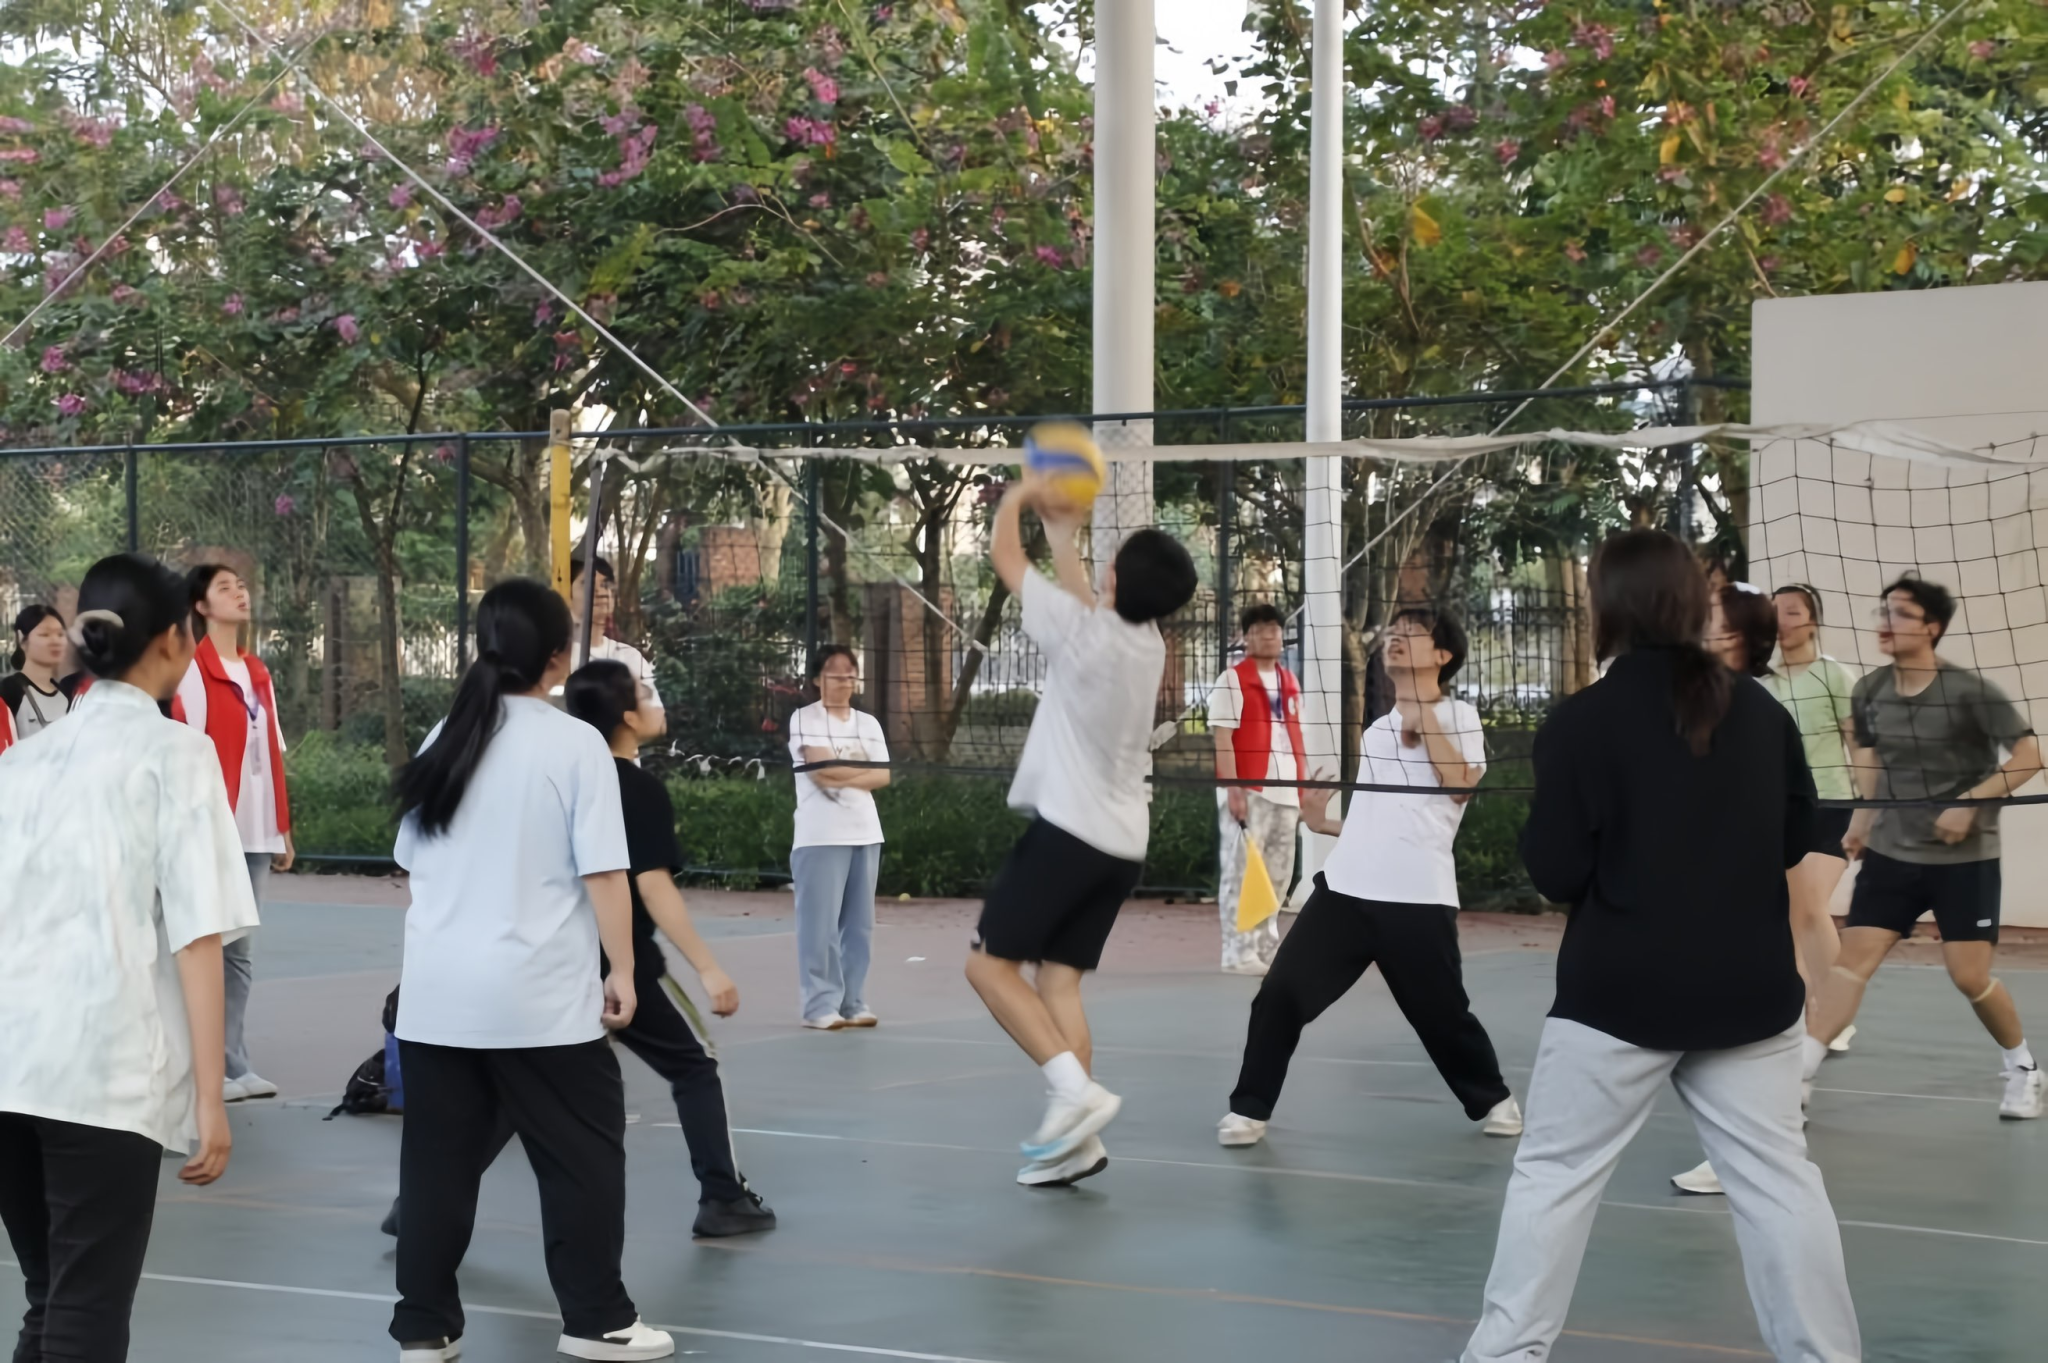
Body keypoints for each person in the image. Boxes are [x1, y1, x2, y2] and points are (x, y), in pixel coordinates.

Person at [1463, 529, 1859, 1363]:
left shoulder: (1582, 721)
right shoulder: (1762, 713)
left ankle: (1502, 1356)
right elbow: (1795, 838)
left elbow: (1555, 870)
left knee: (1554, 1175)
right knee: (1779, 1180)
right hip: (1749, 990)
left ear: (1606, 607)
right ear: (1690, 603)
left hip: (1620, 992)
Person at [380, 661, 776, 1244]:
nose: (657, 703)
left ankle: (417, 1205)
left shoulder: (523, 760)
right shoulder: (630, 786)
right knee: (694, 1066)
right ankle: (723, 1194)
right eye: (647, 694)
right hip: (614, 962)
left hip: (546, 960)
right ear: (627, 716)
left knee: (517, 1093)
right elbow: (647, 885)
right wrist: (705, 967)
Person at [388, 579, 673, 1363]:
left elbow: (412, 859)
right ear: (558, 656)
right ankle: (596, 1319)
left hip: (438, 998)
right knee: (582, 1158)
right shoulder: (574, 743)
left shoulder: (445, 735)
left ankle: (424, 1327)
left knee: (437, 1166)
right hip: (538, 998)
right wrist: (623, 968)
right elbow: (605, 872)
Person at [0, 553, 258, 1362]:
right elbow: (199, 933)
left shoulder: (21, 761)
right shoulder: (177, 755)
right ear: (176, 639)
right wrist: (211, 1097)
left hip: (9, 1064)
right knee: (85, 1307)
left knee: (51, 1296)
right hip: (101, 1074)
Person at [964, 477, 1197, 1189]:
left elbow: (1006, 558)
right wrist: (1064, 535)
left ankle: (1075, 1093)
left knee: (988, 968)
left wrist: (1019, 496)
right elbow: (1088, 600)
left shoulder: (1081, 630)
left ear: (1116, 578)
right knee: (1058, 983)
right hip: (1122, 846)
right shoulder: (1147, 642)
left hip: (1069, 834)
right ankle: (1079, 1145)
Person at [1220, 608, 1522, 1147]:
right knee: (1280, 994)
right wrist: (1323, 824)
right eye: (1394, 633)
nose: (1395, 639)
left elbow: (1458, 786)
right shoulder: (1380, 729)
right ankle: (1249, 1108)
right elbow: (1378, 817)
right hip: (1346, 889)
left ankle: (1494, 1099)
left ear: (1443, 656)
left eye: (1412, 634)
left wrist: (1422, 714)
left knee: (1442, 1016)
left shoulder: (1460, 716)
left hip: (1416, 896)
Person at [1800, 576, 2046, 1122]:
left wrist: (1970, 802)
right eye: (1883, 611)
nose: (1885, 622)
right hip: (1892, 851)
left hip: (1965, 859)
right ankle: (1800, 1078)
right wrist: (1861, 821)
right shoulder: (1870, 690)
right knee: (1850, 965)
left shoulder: (1972, 693)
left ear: (1932, 627)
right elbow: (1871, 762)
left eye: (1901, 614)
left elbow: (2029, 757)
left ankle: (2023, 1068)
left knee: (1969, 976)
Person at [1675, 582, 1859, 1195]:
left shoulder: (1827, 677)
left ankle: (1825, 1023)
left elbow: (1858, 740)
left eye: (1794, 611)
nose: (1785, 619)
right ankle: (1801, 1058)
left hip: (1825, 805)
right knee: (1787, 927)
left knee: (1803, 916)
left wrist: (1870, 810)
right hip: (1768, 815)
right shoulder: (1744, 690)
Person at [173, 564, 294, 1104]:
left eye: (241, 585)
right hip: (213, 830)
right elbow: (187, 754)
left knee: (240, 953)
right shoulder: (193, 672)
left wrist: (282, 827)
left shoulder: (257, 671)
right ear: (201, 606)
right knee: (208, 946)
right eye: (225, 587)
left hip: (256, 831)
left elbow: (272, 753)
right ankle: (204, 1065)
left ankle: (234, 1061)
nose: (240, 592)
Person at [787, 645, 889, 1029]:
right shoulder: (804, 718)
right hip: (820, 835)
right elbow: (819, 770)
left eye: (850, 671)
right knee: (820, 926)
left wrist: (839, 771)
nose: (845, 678)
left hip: (866, 832)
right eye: (834, 671)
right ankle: (818, 1006)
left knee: (859, 926)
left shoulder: (869, 724)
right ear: (817, 679)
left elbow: (882, 775)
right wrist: (857, 769)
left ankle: (853, 1002)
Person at [1207, 603, 1304, 975]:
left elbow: (1296, 735)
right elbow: (1223, 739)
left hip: (1287, 789)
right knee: (1241, 873)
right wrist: (1233, 788)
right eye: (1260, 629)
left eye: (1274, 629)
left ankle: (1266, 948)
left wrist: (1304, 785)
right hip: (1250, 787)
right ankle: (1238, 952)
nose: (1268, 635)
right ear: (1245, 637)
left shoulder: (1289, 681)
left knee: (1278, 875)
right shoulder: (1232, 680)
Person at [568, 554, 665, 737]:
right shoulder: (559, 659)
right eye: (586, 584)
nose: (601, 592)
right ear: (565, 594)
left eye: (606, 584)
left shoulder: (629, 656)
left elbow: (657, 724)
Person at [0, 605, 83, 747]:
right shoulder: (10, 691)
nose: (55, 641)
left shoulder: (66, 694)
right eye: (45, 634)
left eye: (60, 634)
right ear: (21, 638)